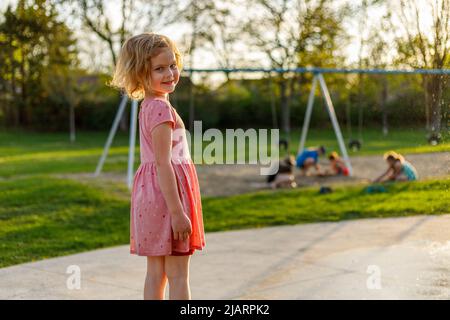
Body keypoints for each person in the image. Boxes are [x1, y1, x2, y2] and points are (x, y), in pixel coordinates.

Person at [110, 33, 205, 300]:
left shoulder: (148, 106)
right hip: (168, 199)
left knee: (156, 274)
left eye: (172, 65)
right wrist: (177, 212)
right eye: (159, 69)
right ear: (141, 74)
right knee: (178, 276)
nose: (170, 73)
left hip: (151, 196)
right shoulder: (162, 110)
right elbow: (164, 163)